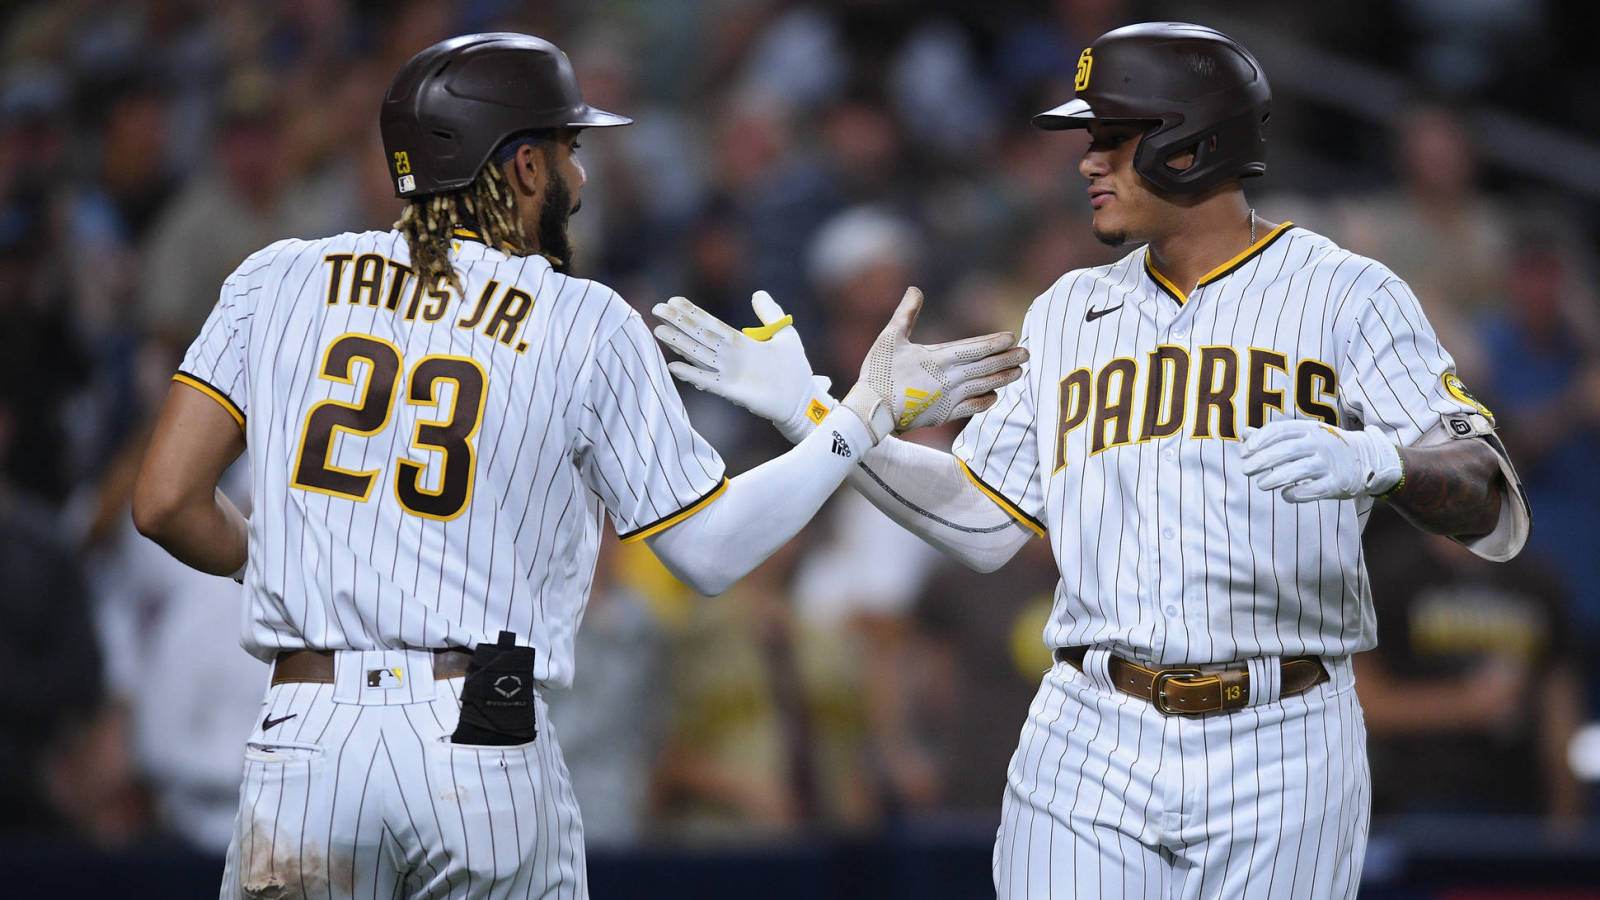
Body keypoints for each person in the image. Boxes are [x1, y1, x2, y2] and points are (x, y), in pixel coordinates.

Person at [130, 32, 1025, 899]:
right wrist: (856, 420)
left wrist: (279, 558)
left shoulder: (276, 278)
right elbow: (708, 554)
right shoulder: (581, 319)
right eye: (569, 148)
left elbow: (166, 501)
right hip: (473, 736)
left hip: (305, 733)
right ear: (522, 166)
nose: (581, 174)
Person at [652, 22, 1531, 899]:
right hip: (1090, 727)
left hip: (1286, 733)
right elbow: (981, 516)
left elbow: (1487, 491)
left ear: (1194, 140)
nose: (1087, 160)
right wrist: (821, 414)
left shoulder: (1346, 292)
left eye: (1111, 136)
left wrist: (1387, 462)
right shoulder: (1071, 308)